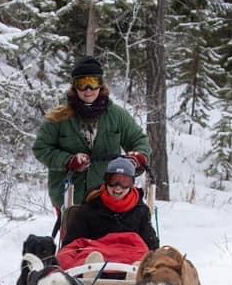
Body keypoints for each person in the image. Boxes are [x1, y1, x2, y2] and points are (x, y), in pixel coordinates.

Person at [32, 56, 151, 210]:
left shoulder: (116, 115)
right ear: (74, 87)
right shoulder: (59, 117)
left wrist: (138, 157)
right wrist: (68, 161)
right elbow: (41, 148)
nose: (88, 89)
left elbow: (139, 140)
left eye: (93, 82)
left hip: (108, 193)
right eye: (82, 83)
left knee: (109, 235)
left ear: (101, 85)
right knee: (73, 234)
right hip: (69, 196)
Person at [57, 156, 159, 268]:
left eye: (124, 182)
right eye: (113, 181)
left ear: (131, 184)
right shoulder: (90, 208)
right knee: (67, 257)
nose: (118, 188)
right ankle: (92, 269)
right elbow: (72, 245)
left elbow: (151, 246)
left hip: (130, 257)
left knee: (149, 259)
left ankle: (135, 271)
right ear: (106, 181)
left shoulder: (140, 211)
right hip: (94, 255)